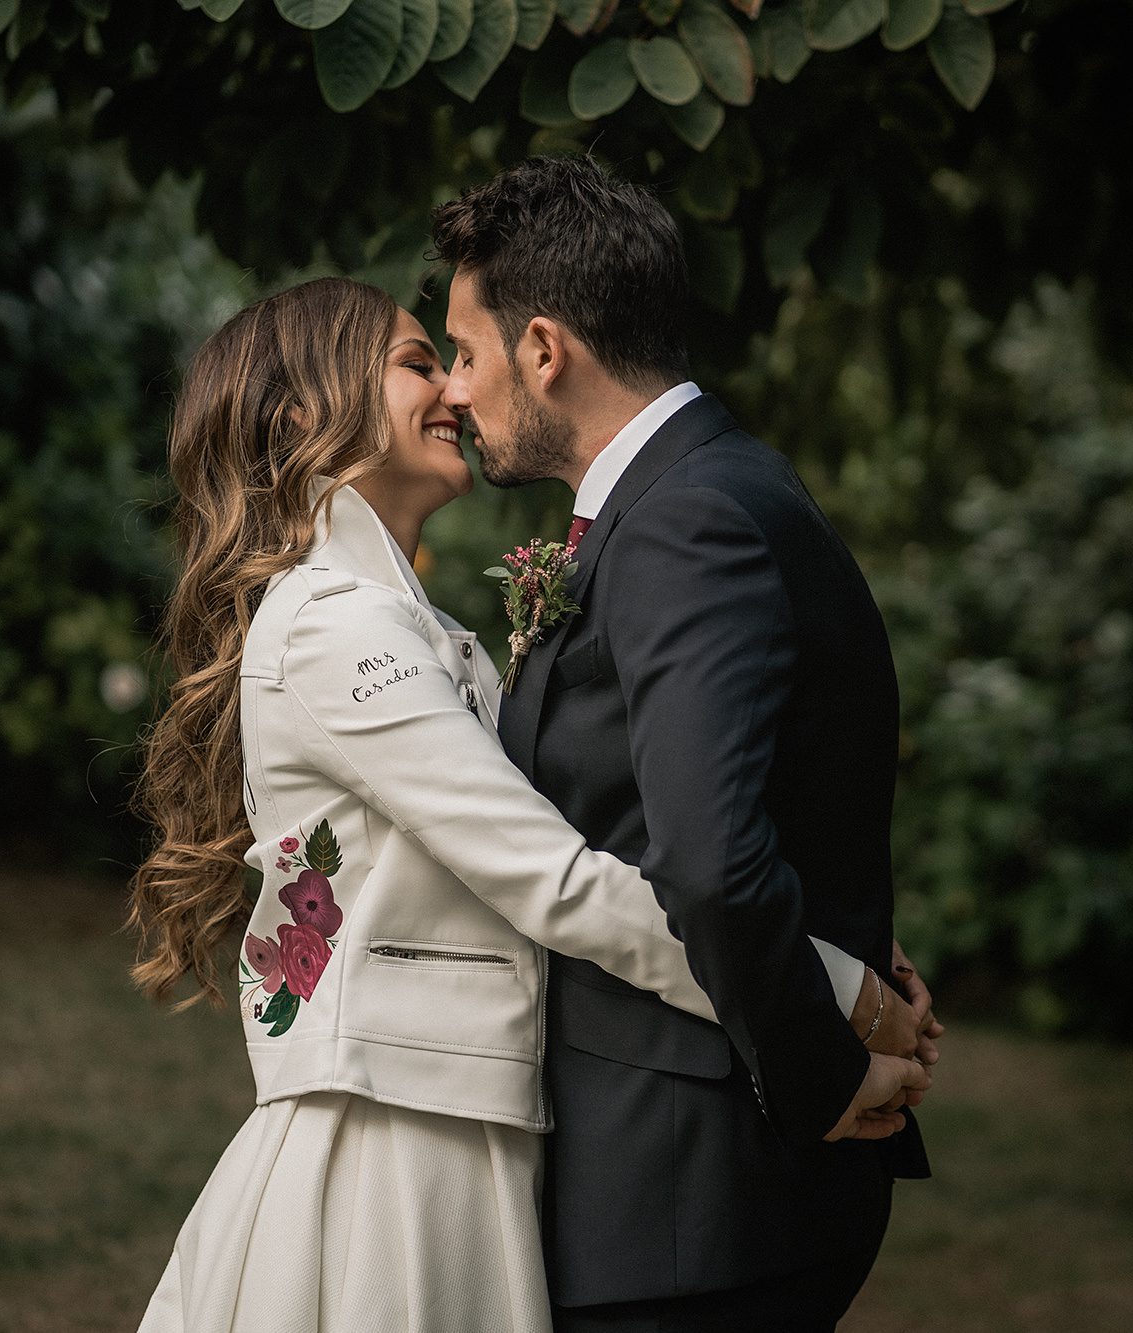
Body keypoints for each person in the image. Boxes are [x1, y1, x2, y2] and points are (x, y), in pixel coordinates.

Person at [125, 276, 931, 1331]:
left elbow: (616, 829)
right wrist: (829, 985)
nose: (455, 390)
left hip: (467, 1120)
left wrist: (800, 933)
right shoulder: (334, 629)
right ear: (299, 417)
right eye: (420, 361)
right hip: (396, 1143)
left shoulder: (409, 626)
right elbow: (549, 878)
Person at [429, 156, 937, 1332]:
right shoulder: (707, 490)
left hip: (692, 1198)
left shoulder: (684, 522)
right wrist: (848, 967)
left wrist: (825, 1077)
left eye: (463, 350)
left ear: (543, 349)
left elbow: (708, 858)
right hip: (680, 1193)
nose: (454, 390)